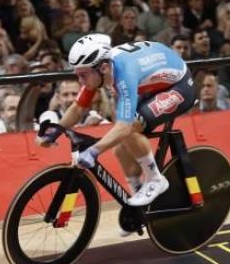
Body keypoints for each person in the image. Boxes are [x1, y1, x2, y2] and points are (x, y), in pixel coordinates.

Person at [37, 33, 195, 209]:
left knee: (128, 125)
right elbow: (78, 108)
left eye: (83, 75)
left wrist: (93, 151)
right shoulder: (98, 69)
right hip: (151, 82)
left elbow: (125, 126)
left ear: (103, 68)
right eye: (78, 75)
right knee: (120, 149)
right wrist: (56, 130)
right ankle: (137, 203)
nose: (80, 81)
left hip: (179, 86)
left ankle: (155, 179)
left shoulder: (124, 73)